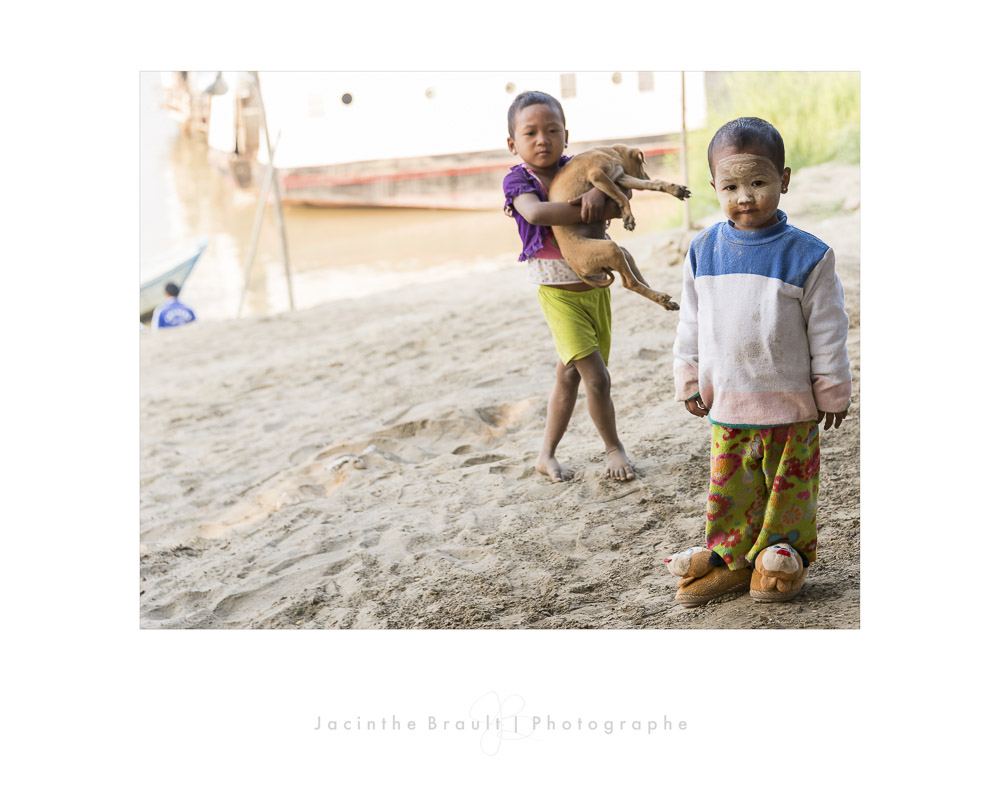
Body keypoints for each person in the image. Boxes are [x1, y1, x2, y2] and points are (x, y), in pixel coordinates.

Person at [666, 116, 852, 606]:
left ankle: (780, 557)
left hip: (792, 406)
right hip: (728, 401)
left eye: (758, 183)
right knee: (731, 487)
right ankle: (731, 559)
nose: (745, 196)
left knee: (789, 487)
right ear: (713, 187)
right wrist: (689, 376)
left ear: (783, 180)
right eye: (731, 186)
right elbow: (691, 322)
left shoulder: (809, 255)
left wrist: (832, 386)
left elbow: (829, 327)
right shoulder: (703, 251)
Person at [503, 90, 635, 482]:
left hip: (595, 286)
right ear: (512, 144)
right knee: (598, 378)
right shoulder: (518, 180)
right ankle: (613, 448)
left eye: (552, 130)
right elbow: (537, 213)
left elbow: (622, 191)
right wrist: (589, 206)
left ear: (566, 135)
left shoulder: (580, 167)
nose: (542, 139)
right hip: (558, 295)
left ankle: (545, 455)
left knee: (568, 376)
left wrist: (598, 191)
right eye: (530, 133)